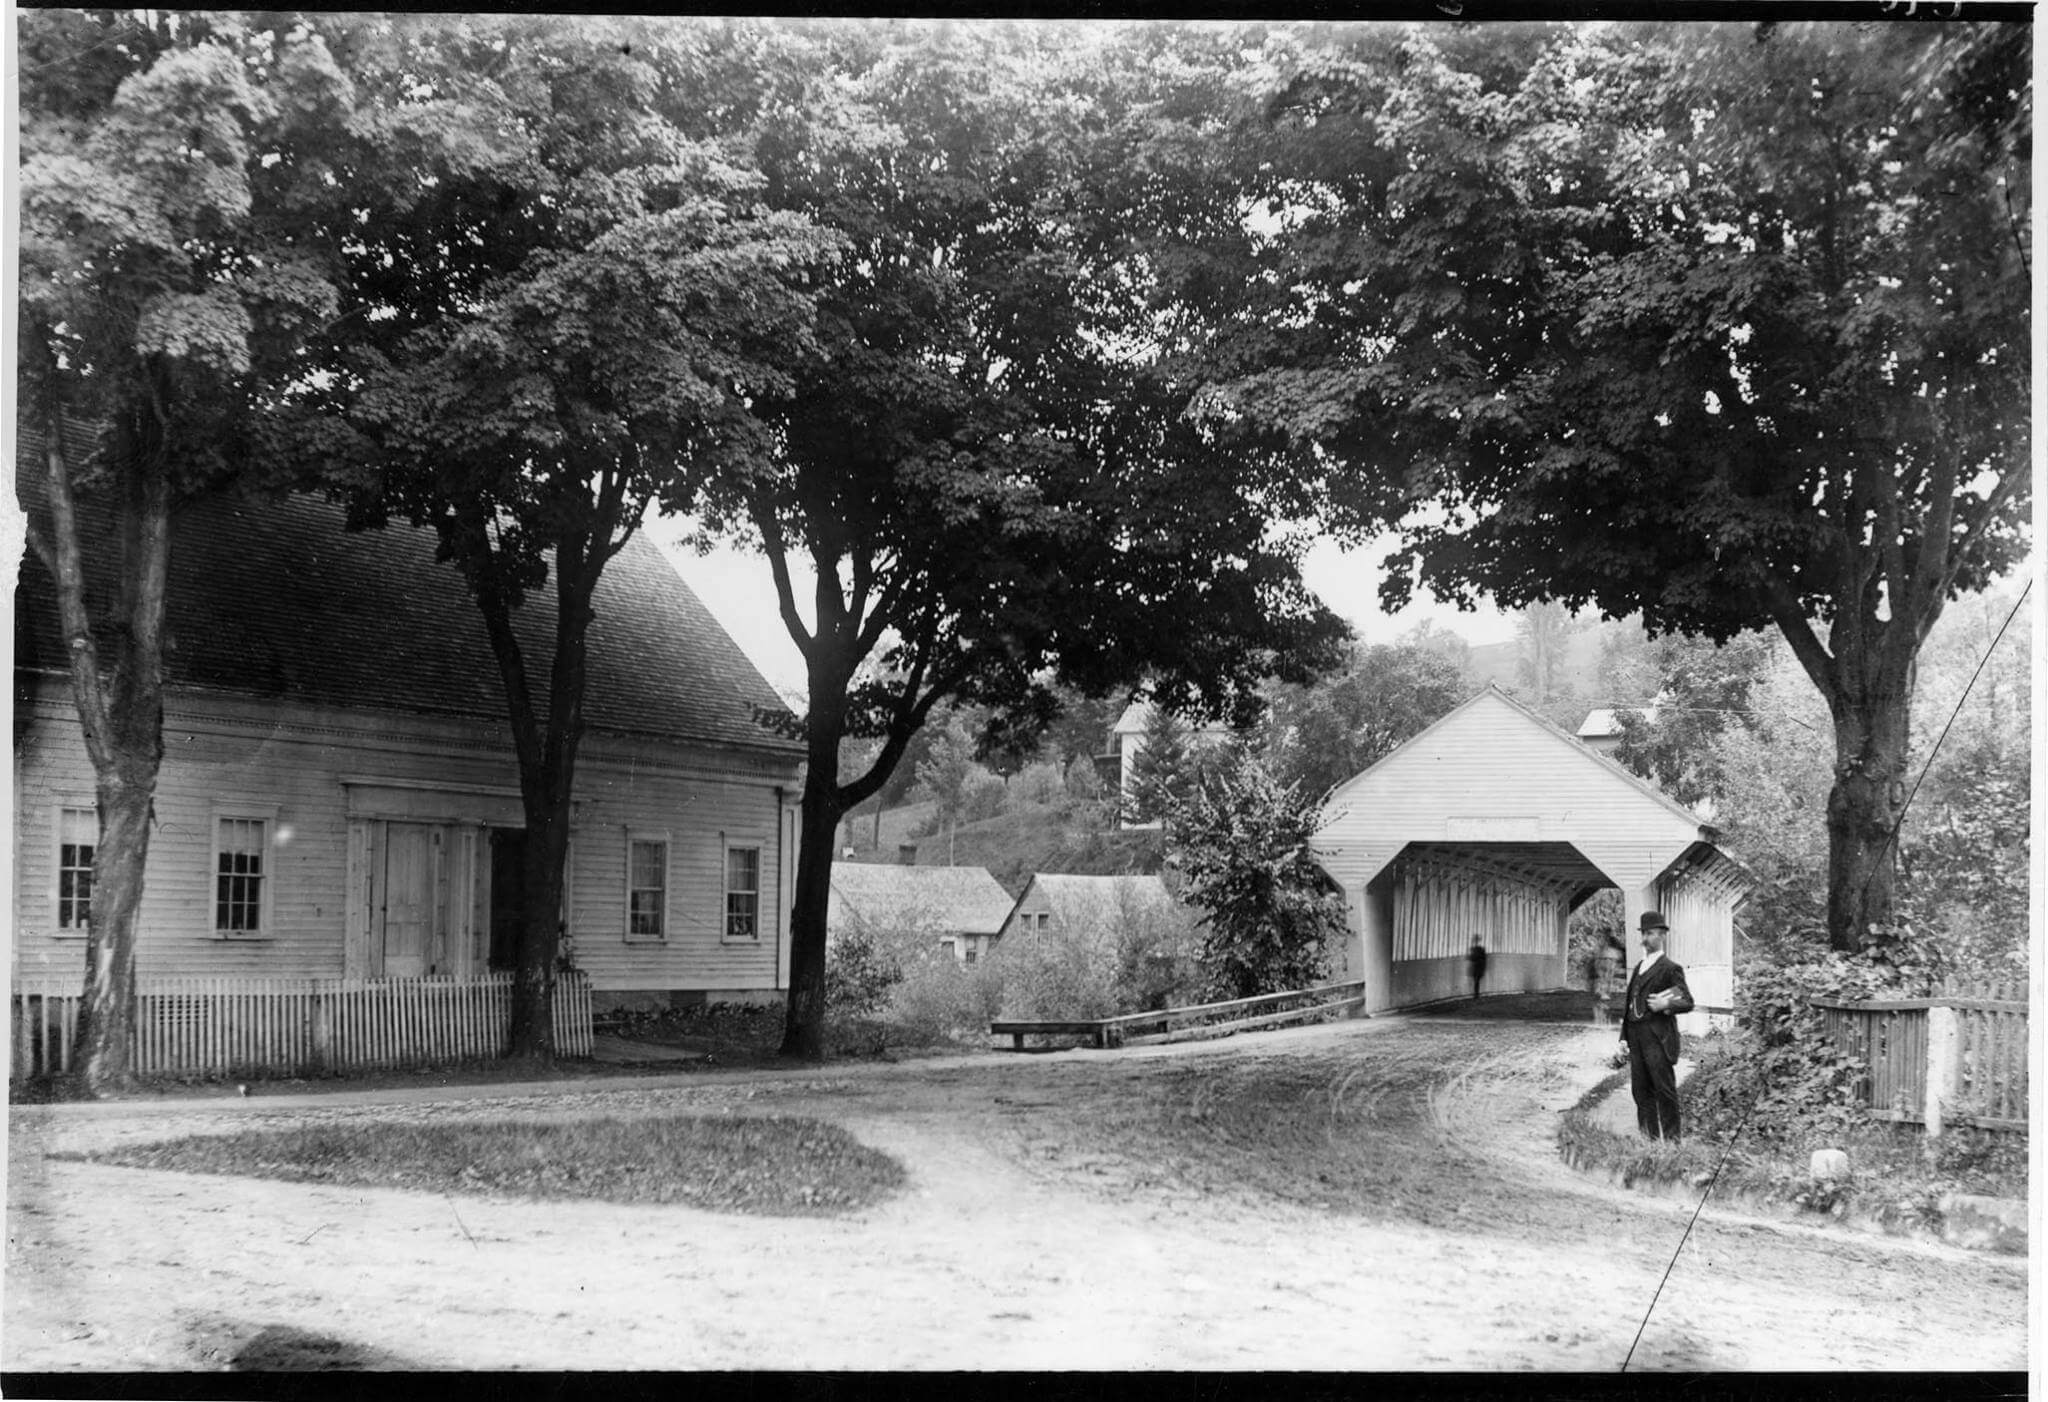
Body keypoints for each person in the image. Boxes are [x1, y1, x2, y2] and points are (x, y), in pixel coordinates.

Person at [1619, 911, 1694, 1140]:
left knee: (1664, 1090)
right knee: (1640, 1091)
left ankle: (1672, 1142)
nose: (1646, 938)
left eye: (1651, 933)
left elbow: (1688, 1001)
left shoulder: (1670, 968)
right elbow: (1629, 1005)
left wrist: (1666, 1004)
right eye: (1644, 933)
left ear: (1662, 936)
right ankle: (1649, 1140)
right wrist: (1623, 1038)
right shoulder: (1639, 967)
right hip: (1636, 1036)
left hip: (1657, 1038)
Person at [1467, 937, 1487, 1002]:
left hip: (1478, 968)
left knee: (1476, 981)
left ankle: (1476, 995)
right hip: (1477, 968)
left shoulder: (1477, 949)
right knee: (1476, 982)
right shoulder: (1478, 949)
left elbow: (1473, 958)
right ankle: (1476, 995)